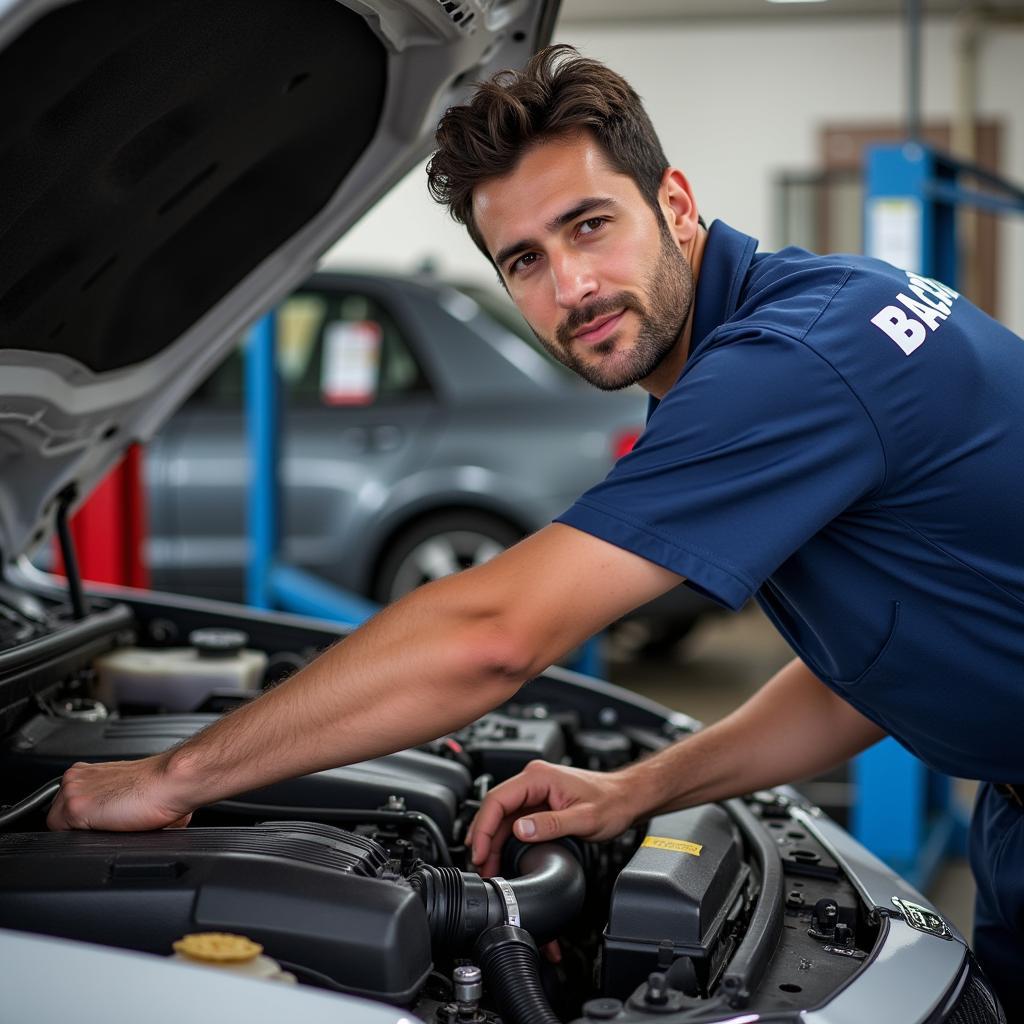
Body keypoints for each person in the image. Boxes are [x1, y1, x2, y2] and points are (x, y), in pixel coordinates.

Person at [49, 45, 1024, 1014]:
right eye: (525, 259)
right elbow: (863, 671)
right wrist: (635, 790)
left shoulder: (792, 363)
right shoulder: (799, 317)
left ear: (676, 205)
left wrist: (175, 776)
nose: (572, 287)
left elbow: (493, 635)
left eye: (589, 225)